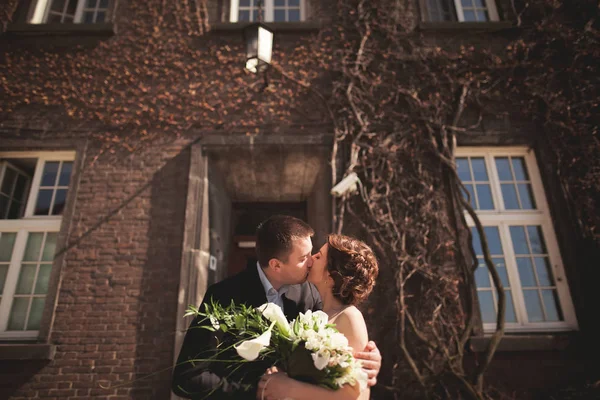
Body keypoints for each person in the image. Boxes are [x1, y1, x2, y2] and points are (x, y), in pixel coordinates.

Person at [172, 215, 382, 399]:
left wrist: (368, 360)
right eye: (303, 258)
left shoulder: (310, 295)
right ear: (276, 265)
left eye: (314, 254)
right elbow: (187, 378)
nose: (310, 262)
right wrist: (257, 392)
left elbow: (340, 356)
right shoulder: (223, 296)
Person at [257, 233, 379, 400]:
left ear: (330, 275)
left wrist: (289, 388)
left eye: (318, 256)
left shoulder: (350, 317)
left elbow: (359, 395)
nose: (311, 258)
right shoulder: (316, 313)